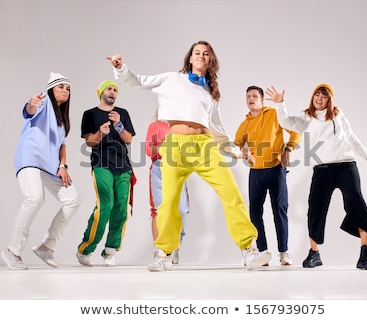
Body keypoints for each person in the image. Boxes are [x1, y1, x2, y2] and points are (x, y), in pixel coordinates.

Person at [107, 40, 272, 271]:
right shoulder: (171, 79)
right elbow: (136, 81)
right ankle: (164, 254)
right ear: (190, 58)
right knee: (169, 201)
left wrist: (238, 152)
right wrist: (120, 67)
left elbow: (219, 131)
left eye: (205, 53)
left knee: (231, 194)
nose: (201, 56)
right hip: (175, 145)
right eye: (197, 52)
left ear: (210, 60)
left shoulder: (211, 92)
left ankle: (249, 250)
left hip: (205, 146)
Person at [266, 83, 367, 270]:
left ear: (329, 99)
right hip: (321, 168)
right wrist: (280, 104)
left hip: (346, 165)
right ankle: (314, 254)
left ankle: (366, 249)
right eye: (317, 95)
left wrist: (365, 154)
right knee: (316, 208)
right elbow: (285, 122)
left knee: (356, 202)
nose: (319, 98)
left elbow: (350, 136)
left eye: (324, 96)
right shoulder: (306, 117)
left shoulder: (338, 114)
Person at [2, 72, 81, 270]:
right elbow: (29, 110)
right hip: (30, 159)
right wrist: (32, 103)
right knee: (35, 198)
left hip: (50, 166)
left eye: (68, 88)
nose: (65, 90)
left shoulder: (63, 119)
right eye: (61, 86)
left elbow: (62, 145)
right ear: (51, 89)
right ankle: (13, 250)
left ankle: (47, 247)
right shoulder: (43, 102)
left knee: (73, 199)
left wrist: (62, 166)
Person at [234, 85, 301, 266]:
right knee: (255, 213)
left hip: (276, 169)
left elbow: (295, 131)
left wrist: (288, 148)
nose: (251, 98)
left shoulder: (273, 114)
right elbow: (235, 146)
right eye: (248, 96)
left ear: (262, 100)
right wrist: (244, 153)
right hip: (255, 173)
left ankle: (284, 252)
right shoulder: (244, 124)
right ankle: (262, 252)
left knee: (279, 210)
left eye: (255, 96)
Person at [76, 80, 136, 267]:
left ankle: (110, 251)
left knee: (121, 209)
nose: (113, 92)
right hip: (101, 165)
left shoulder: (122, 113)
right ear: (101, 92)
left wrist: (119, 125)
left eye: (115, 90)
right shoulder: (89, 114)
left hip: (123, 167)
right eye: (109, 89)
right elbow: (89, 143)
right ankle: (85, 249)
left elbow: (128, 140)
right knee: (105, 206)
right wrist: (101, 133)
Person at [145, 117, 190, 264]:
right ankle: (160, 250)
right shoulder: (155, 126)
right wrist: (167, 147)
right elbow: (149, 150)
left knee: (182, 209)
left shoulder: (183, 126)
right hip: (159, 168)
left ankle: (175, 244)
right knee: (158, 210)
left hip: (177, 168)